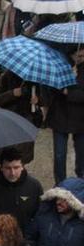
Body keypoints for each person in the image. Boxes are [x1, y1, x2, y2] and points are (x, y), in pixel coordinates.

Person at [44, 48, 84, 184]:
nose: (79, 57)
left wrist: (69, 93)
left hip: (80, 120)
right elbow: (50, 88)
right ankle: (60, 184)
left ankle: (81, 185)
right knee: (60, 155)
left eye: (82, 55)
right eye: (77, 54)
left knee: (81, 157)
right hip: (60, 117)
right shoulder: (60, 66)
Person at [0, 147, 43, 227]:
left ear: (22, 166)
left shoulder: (34, 187)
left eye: (16, 168)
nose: (12, 173)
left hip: (25, 237)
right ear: (1, 168)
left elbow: (40, 216)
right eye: (8, 168)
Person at [0, 70, 38, 166]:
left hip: (26, 123)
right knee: (6, 160)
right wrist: (12, 94)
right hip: (8, 122)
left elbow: (45, 100)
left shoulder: (35, 79)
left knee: (21, 161)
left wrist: (38, 100)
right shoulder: (6, 76)